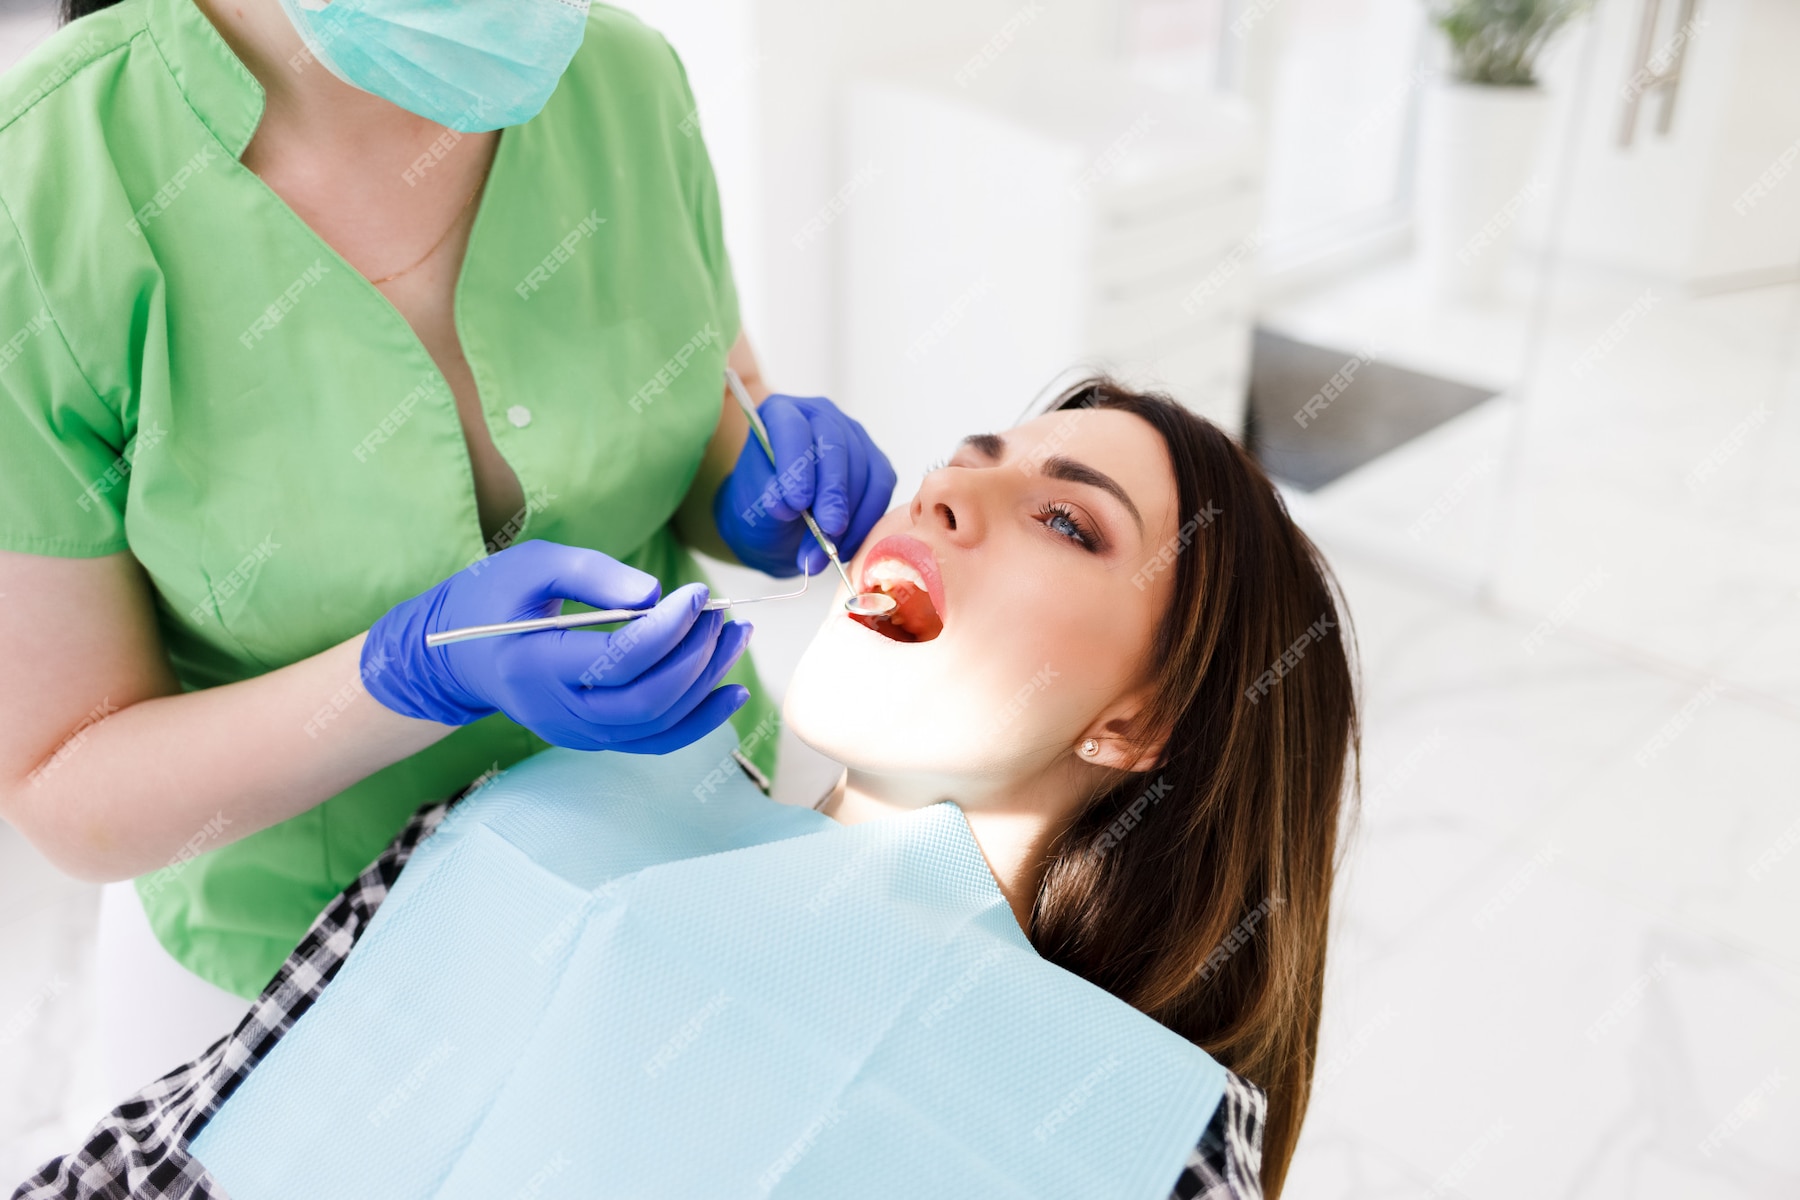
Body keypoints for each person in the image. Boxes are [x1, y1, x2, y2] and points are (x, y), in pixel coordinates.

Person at [15, 378, 1360, 1200]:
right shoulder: (535, 820)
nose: (944, 496)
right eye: (971, 459)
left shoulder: (1134, 1133)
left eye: (1068, 521)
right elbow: (165, 1154)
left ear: (1142, 720)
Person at [0, 0, 895, 1100]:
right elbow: (68, 777)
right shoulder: (41, 192)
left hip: (693, 834)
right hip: (308, 961)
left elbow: (711, 397)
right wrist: (405, 674)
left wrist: (750, 490)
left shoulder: (619, 79)